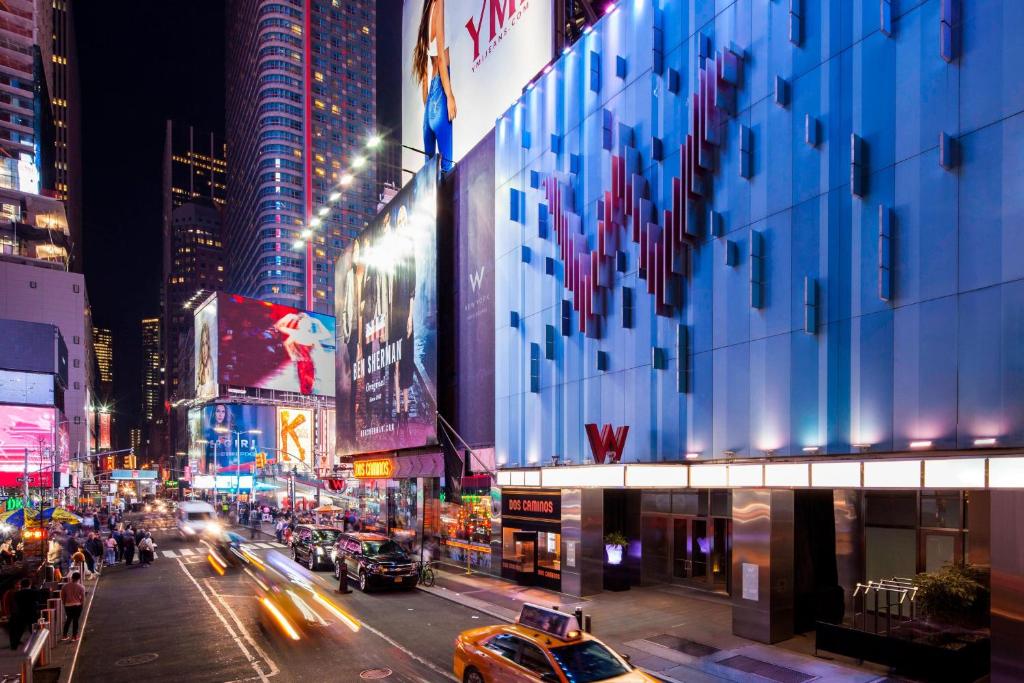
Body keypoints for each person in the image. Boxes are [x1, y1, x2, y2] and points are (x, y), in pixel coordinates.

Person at [412, 0, 456, 172]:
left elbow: (424, 79)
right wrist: (449, 95)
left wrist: (429, 108)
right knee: (447, 169)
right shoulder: (439, 4)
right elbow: (441, 59)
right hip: (440, 93)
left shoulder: (425, 17)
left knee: (430, 175)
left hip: (430, 101)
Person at [8, 579, 39, 650]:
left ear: (21, 585)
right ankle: (36, 644)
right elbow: (38, 600)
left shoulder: (17, 594)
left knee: (19, 630)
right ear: (29, 584)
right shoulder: (34, 592)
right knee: (33, 630)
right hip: (32, 613)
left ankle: (14, 645)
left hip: (21, 614)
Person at [60, 572, 85, 642]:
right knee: (75, 620)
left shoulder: (65, 586)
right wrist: (82, 604)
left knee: (68, 619)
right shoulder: (81, 587)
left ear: (72, 577)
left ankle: (64, 635)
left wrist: (64, 603)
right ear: (79, 578)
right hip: (77, 605)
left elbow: (62, 596)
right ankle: (74, 636)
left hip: (68, 605)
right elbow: (83, 598)